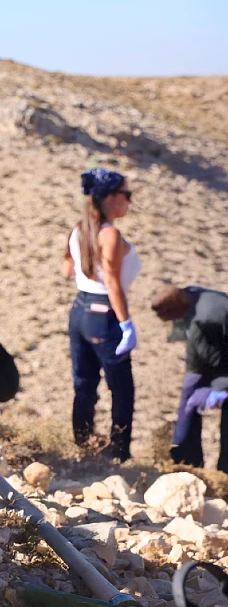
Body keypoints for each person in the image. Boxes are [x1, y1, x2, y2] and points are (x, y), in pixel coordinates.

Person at [62, 168, 140, 461]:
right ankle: (118, 452)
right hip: (104, 314)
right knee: (121, 389)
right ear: (109, 198)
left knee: (84, 383)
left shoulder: (79, 229)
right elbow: (112, 282)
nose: (129, 202)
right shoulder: (110, 234)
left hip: (80, 309)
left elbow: (67, 269)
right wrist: (127, 324)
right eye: (126, 195)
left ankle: (81, 444)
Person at [152, 285, 228, 471]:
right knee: (190, 401)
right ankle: (187, 459)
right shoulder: (192, 295)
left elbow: (218, 361)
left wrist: (221, 388)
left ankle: (224, 475)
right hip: (219, 350)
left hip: (223, 361)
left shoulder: (204, 322)